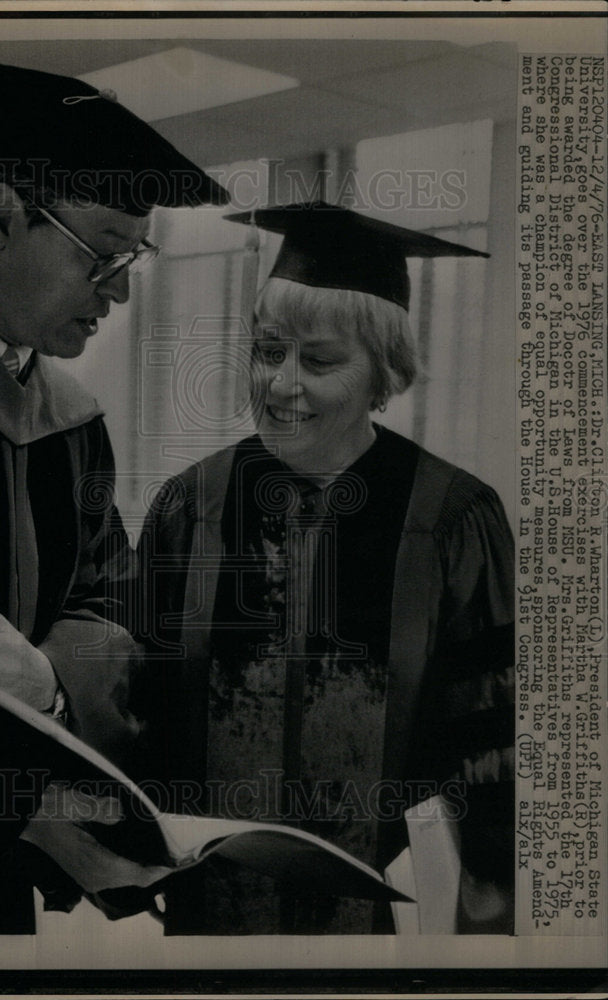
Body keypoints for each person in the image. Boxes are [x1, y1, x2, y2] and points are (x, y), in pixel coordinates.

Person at [0, 60, 228, 936]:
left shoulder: (68, 418)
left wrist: (51, 679)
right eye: (102, 252)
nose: (122, 291)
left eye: (133, 258)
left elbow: (113, 602)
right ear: (3, 214)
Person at [134, 202, 515, 935]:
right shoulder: (190, 508)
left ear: (384, 373)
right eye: (267, 350)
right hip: (208, 914)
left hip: (387, 918)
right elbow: (138, 711)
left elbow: (493, 741)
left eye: (320, 361)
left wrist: (487, 913)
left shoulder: (453, 518)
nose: (280, 385)